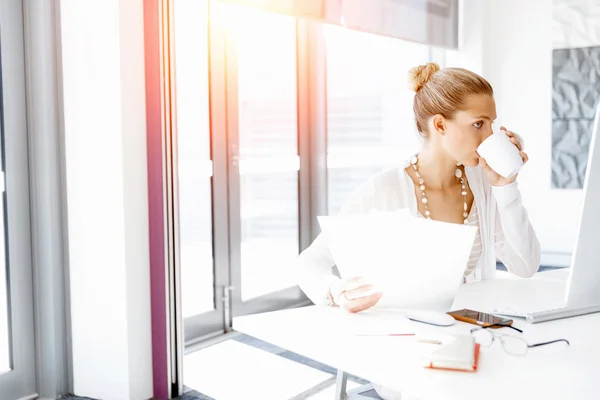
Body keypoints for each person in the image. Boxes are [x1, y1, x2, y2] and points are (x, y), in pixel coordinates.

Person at [295, 62, 540, 313]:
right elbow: (310, 261)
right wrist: (335, 292)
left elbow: (526, 265)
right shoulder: (384, 190)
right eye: (479, 124)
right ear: (440, 125)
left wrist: (506, 187)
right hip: (407, 338)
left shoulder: (483, 184)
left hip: (471, 335)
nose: (489, 135)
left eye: (491, 124)